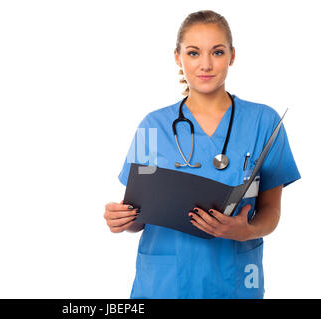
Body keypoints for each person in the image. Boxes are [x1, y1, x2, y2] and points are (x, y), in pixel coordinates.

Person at [103, 10, 301, 299]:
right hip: (164, 283)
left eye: (217, 52)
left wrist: (246, 231)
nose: (205, 64)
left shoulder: (264, 122)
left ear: (232, 56)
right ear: (177, 57)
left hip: (234, 281)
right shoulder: (152, 127)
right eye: (193, 53)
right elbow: (139, 216)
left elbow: (271, 210)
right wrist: (122, 220)